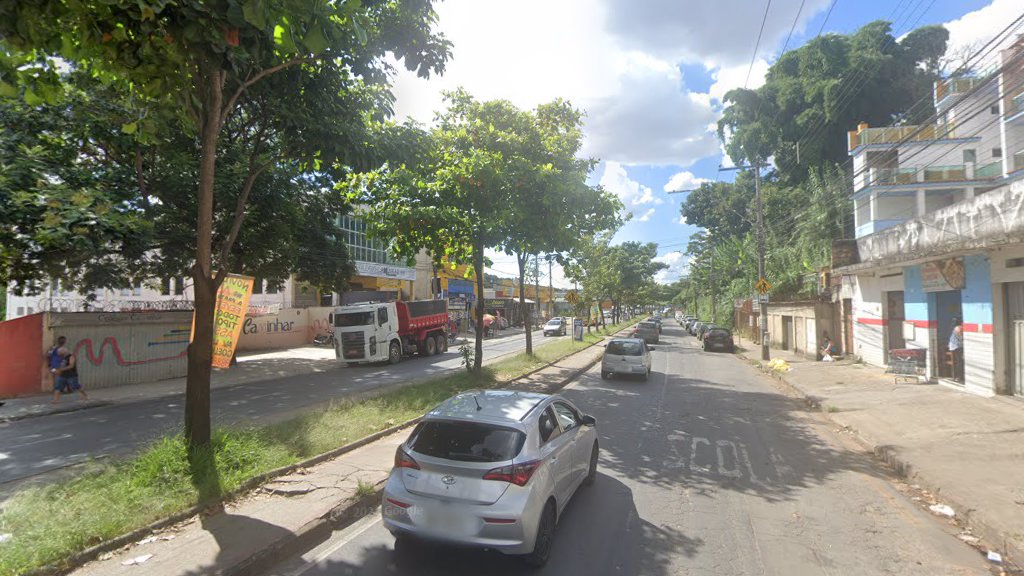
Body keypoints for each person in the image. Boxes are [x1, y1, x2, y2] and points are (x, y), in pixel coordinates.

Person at [948, 318, 964, 382]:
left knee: (959, 361)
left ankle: (957, 376)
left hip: (954, 346)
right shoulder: (959, 328)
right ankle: (959, 377)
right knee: (960, 362)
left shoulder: (956, 328)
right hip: (957, 347)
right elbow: (961, 337)